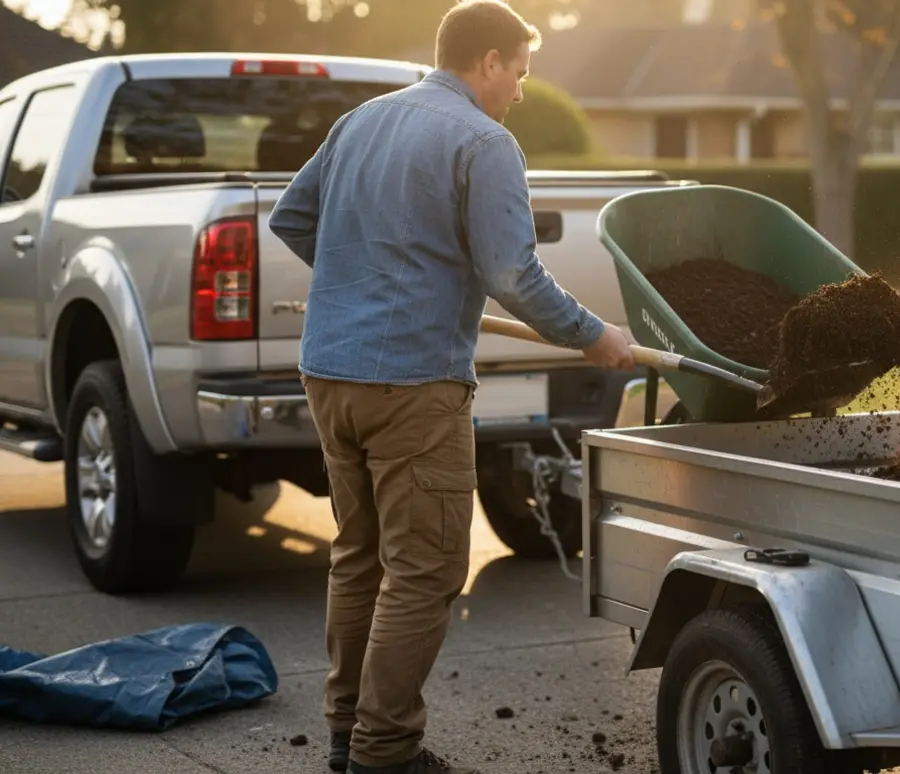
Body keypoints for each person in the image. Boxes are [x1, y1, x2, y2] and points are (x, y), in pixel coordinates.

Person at [267, 2, 635, 772]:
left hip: (329, 372)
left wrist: (360, 285)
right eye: (520, 73)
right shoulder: (484, 140)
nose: (522, 92)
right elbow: (513, 274)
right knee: (427, 568)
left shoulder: (361, 121)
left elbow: (292, 218)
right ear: (488, 61)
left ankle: (347, 734)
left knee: (360, 555)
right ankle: (384, 750)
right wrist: (593, 336)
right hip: (411, 384)